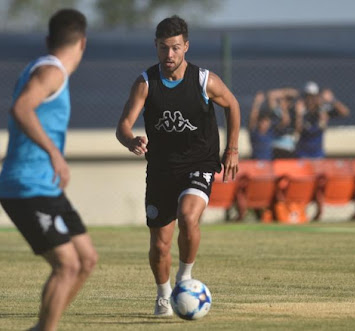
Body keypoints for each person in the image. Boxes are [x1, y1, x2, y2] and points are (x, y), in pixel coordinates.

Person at [115, 15, 240, 317]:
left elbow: (232, 105)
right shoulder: (146, 83)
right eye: (162, 48)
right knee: (160, 245)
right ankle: (162, 295)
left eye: (174, 48)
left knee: (188, 215)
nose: (168, 55)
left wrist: (232, 149)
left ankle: (185, 278)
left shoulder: (204, 80)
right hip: (160, 169)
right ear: (156, 47)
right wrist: (130, 140)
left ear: (186, 46)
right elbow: (123, 126)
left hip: (200, 162)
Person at [0, 9, 97, 331]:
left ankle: (42, 327)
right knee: (67, 266)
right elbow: (21, 108)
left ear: (48, 40)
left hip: (46, 187)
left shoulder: (44, 69)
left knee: (86, 261)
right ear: (83, 42)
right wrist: (54, 152)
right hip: (26, 186)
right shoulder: (51, 72)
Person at [294, 81, 350, 158]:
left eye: (313, 97)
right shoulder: (300, 111)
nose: (311, 100)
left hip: (318, 153)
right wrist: (299, 116)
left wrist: (332, 100)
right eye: (308, 97)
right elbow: (298, 131)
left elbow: (345, 113)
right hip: (302, 153)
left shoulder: (323, 110)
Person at [248, 87, 297, 160]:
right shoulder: (255, 133)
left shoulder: (271, 132)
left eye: (266, 121)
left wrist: (283, 108)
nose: (265, 124)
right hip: (255, 163)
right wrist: (257, 103)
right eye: (262, 121)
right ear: (259, 122)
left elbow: (285, 122)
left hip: (269, 164)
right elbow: (252, 119)